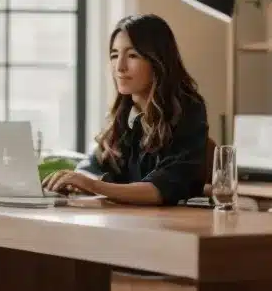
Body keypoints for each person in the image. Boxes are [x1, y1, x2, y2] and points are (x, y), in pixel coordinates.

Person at [42, 13, 209, 206]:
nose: (119, 67)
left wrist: (92, 186)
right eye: (114, 55)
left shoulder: (188, 110)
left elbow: (160, 189)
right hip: (127, 223)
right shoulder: (125, 114)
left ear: (158, 61)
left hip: (170, 228)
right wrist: (74, 181)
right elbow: (90, 169)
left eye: (132, 55)